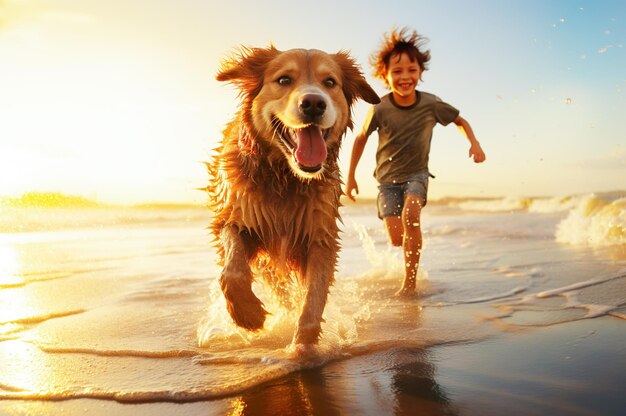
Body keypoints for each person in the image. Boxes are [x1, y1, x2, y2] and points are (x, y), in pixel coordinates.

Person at [345, 27, 486, 297]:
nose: (405, 77)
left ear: (420, 72)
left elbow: (460, 121)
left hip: (417, 175)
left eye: (411, 70)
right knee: (397, 238)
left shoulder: (431, 104)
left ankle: (409, 283)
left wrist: (474, 143)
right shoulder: (379, 107)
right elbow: (361, 138)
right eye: (397, 71)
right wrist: (351, 177)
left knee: (412, 216)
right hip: (386, 181)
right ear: (384, 76)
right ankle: (406, 262)